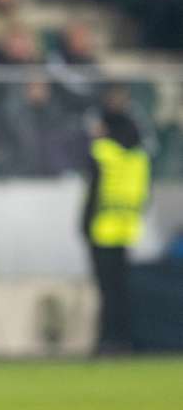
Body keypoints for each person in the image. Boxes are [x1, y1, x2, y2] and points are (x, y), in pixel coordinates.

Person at [81, 85, 151, 355]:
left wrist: (83, 226)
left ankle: (107, 341)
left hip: (101, 228)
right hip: (127, 227)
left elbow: (94, 194)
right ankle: (123, 340)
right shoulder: (138, 153)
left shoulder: (103, 151)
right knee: (121, 290)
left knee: (107, 291)